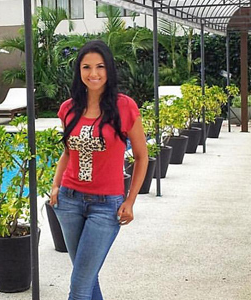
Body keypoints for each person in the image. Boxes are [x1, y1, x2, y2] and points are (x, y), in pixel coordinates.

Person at [50, 40, 148, 300]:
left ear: (109, 69)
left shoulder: (124, 106)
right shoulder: (68, 109)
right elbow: (68, 152)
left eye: (100, 66)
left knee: (80, 285)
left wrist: (130, 200)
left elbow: (141, 156)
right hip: (69, 202)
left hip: (106, 206)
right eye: (86, 67)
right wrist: (55, 185)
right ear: (79, 71)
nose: (93, 73)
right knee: (86, 278)